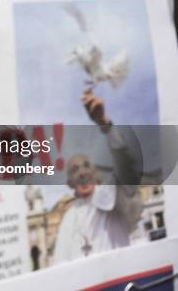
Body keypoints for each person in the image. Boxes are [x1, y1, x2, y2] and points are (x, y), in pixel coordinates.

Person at [53, 91, 143, 264]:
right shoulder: (68, 220)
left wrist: (105, 125)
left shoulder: (114, 198)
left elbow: (128, 170)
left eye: (86, 166)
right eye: (75, 169)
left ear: (95, 174)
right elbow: (61, 265)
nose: (82, 173)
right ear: (70, 182)